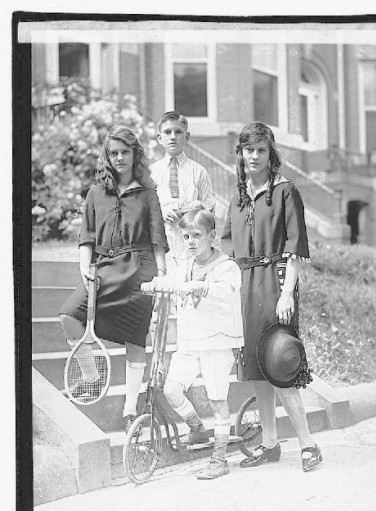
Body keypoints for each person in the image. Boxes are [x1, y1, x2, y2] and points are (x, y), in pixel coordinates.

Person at [221, 122, 322, 472]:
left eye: (261, 150)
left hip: (276, 282)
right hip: (245, 287)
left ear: (270, 153)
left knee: (280, 364)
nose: (254, 156)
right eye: (248, 150)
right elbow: (226, 248)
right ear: (241, 154)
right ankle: (269, 442)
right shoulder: (238, 196)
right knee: (256, 369)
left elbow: (295, 248)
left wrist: (287, 294)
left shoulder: (285, 191)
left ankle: (308, 444)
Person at [60, 125, 168, 433]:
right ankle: (91, 375)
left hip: (139, 270)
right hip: (103, 269)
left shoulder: (148, 193)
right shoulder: (96, 192)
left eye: (125, 152)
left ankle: (130, 410)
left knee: (136, 339)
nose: (119, 158)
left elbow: (157, 236)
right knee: (69, 314)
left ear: (135, 154)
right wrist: (85, 265)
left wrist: (161, 275)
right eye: (114, 153)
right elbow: (87, 235)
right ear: (107, 156)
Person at [141, 209, 244, 479]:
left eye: (197, 235)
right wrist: (153, 284)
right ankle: (196, 427)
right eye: (186, 236)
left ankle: (220, 459)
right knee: (172, 388)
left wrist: (203, 288)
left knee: (216, 398)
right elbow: (171, 281)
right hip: (190, 340)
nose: (190, 241)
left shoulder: (226, 266)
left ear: (212, 237)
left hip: (216, 341)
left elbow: (228, 289)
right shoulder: (185, 266)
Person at [149, 111, 216, 264]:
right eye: (167, 132)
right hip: (163, 240)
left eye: (178, 132)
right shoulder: (152, 173)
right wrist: (161, 212)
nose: (173, 137)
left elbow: (210, 206)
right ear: (160, 138)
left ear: (187, 137)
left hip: (192, 242)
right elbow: (146, 207)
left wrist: (198, 208)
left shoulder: (198, 171)